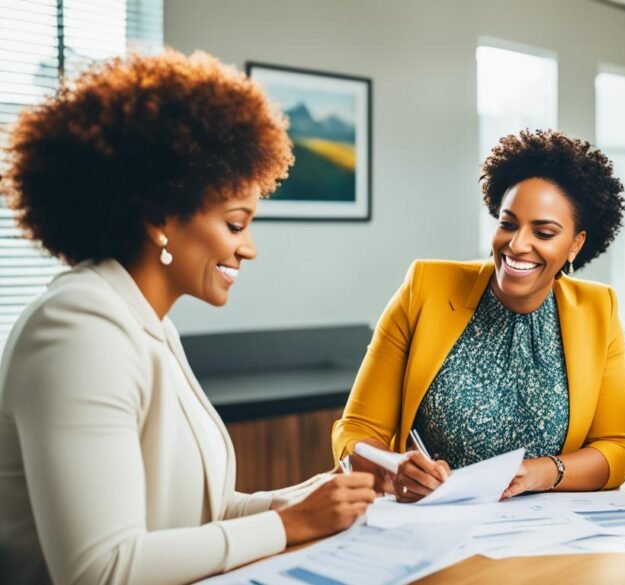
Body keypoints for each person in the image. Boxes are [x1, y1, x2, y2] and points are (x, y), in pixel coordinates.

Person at [0, 51, 375, 585]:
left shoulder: (148, 324)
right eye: (235, 223)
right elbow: (100, 570)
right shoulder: (77, 329)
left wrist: (321, 497)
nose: (248, 249)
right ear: (159, 216)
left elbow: (198, 519)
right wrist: (289, 525)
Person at [333, 129, 625, 501]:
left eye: (543, 232)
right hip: (433, 523)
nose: (517, 244)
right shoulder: (426, 288)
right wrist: (393, 469)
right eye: (508, 224)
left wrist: (542, 472)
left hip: (544, 533)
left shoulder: (598, 309)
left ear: (576, 244)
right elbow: (355, 430)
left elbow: (617, 449)